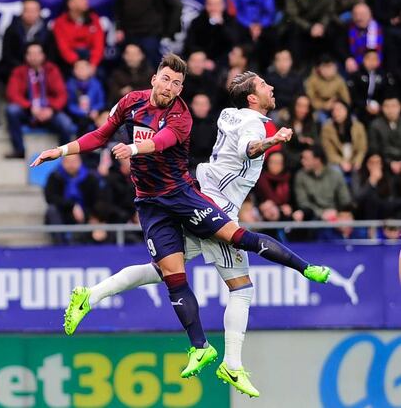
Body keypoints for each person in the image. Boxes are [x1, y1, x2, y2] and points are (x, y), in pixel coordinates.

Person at [31, 55, 330, 385]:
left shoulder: (181, 115)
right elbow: (101, 135)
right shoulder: (131, 102)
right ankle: (208, 349)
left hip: (182, 194)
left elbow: (163, 142)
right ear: (154, 78)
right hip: (151, 202)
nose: (169, 87)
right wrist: (59, 151)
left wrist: (133, 150)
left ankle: (96, 296)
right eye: (165, 79)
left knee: (194, 262)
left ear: (181, 88)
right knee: (181, 275)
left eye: (176, 83)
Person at [5, 42, 73, 159]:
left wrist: (51, 109)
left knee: (66, 123)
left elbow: (62, 94)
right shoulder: (19, 72)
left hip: (49, 110)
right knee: (11, 110)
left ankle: (64, 156)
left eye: (37, 53)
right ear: (26, 57)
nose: (35, 57)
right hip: (28, 111)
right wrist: (30, 107)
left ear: (43, 55)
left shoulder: (52, 70)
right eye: (31, 54)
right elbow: (13, 93)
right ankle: (19, 150)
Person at [44, 154, 102, 244]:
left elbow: (96, 200)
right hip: (63, 213)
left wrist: (92, 216)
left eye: (74, 161)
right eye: (68, 162)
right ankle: (59, 244)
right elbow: (51, 198)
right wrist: (72, 206)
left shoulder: (90, 178)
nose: (71, 165)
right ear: (63, 162)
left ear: (80, 162)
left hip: (85, 214)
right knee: (52, 210)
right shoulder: (55, 177)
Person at [0, 0, 52, 83]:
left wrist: (38, 67)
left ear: (39, 12)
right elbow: (7, 55)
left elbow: (50, 54)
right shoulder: (12, 30)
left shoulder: (47, 31)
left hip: (41, 69)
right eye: (27, 10)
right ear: (22, 12)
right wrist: (23, 69)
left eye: (34, 10)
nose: (31, 14)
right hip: (16, 69)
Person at [52, 0, 104, 76]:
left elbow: (99, 46)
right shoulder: (59, 23)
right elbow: (64, 48)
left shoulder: (94, 19)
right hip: (70, 62)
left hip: (90, 61)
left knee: (101, 74)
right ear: (70, 4)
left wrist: (93, 64)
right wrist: (77, 63)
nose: (85, 0)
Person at [184, 0, 242, 68]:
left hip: (223, 62)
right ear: (206, 5)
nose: (214, 8)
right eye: (210, 4)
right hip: (201, 61)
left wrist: (222, 25)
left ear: (223, 5)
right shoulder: (197, 21)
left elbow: (234, 42)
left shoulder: (230, 21)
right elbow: (190, 44)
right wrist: (203, 59)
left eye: (217, 4)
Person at [294, 145, 352, 221]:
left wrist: (337, 213)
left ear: (317, 160)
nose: (302, 161)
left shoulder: (335, 174)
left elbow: (345, 200)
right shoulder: (300, 175)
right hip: (313, 215)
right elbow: (303, 202)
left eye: (306, 159)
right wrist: (321, 213)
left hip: (336, 214)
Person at [321, 99, 367, 179]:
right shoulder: (327, 128)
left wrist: (357, 161)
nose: (336, 112)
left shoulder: (358, 126)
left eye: (339, 109)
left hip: (354, 159)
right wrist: (341, 162)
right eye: (333, 110)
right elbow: (329, 151)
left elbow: (362, 148)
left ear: (347, 110)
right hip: (337, 162)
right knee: (335, 171)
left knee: (358, 171)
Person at [66, 59, 105, 135]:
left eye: (84, 68)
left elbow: (101, 102)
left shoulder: (96, 84)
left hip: (93, 114)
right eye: (78, 68)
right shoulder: (70, 84)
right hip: (77, 115)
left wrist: (95, 110)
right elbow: (69, 104)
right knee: (83, 122)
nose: (81, 70)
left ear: (90, 70)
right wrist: (83, 112)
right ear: (74, 71)